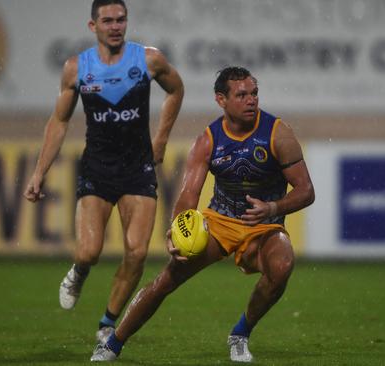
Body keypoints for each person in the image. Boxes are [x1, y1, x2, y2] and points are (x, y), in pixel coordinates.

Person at [90, 66, 315, 362]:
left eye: (254, 93)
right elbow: (188, 195)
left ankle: (240, 333)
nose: (251, 101)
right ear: (221, 100)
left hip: (264, 226)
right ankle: (112, 344)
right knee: (166, 280)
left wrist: (273, 208)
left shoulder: (278, 133)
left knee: (283, 265)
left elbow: (306, 191)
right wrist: (176, 229)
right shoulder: (208, 140)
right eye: (242, 95)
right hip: (220, 223)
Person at [23, 0, 184, 342]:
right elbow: (60, 121)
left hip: (137, 168)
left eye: (121, 19)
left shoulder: (148, 59)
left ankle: (107, 323)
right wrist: (39, 173)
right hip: (97, 168)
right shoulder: (76, 68)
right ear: (92, 26)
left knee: (137, 252)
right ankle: (80, 271)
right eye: (107, 20)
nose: (115, 26)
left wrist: (162, 138)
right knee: (88, 252)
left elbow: (176, 89)